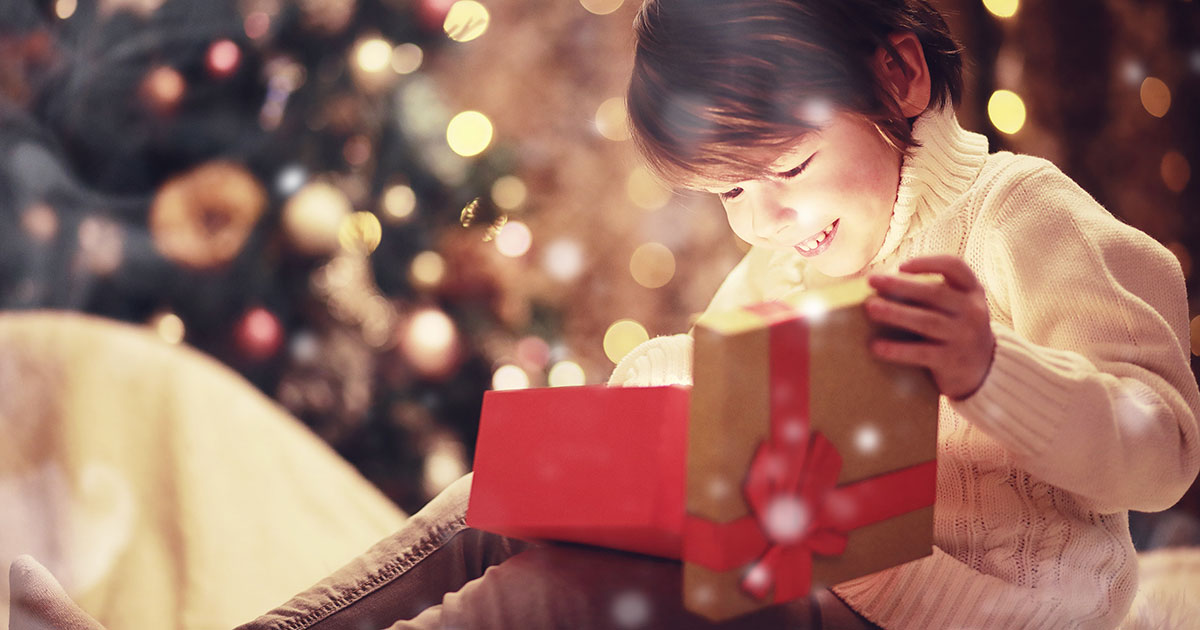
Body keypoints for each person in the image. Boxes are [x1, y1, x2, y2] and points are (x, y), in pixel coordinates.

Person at [10, 1, 1199, 629]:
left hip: (967, 617)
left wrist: (992, 372)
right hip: (809, 578)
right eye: (729, 193)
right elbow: (710, 416)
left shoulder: (1020, 213)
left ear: (897, 78)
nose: (764, 218)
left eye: (785, 170)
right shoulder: (787, 261)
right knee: (489, 503)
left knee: (565, 599)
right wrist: (628, 436)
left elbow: (1163, 452)